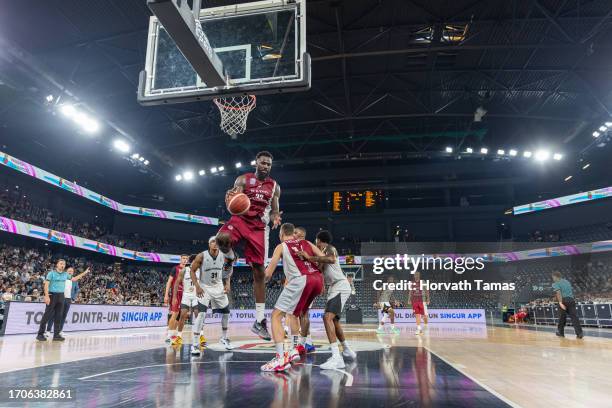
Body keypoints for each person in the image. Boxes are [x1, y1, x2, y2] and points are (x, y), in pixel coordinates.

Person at [216, 151, 282, 341]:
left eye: (269, 164)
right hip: (240, 220)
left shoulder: (275, 186)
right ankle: (230, 257)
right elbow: (233, 199)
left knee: (259, 273)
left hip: (260, 228)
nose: (266, 166)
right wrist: (229, 198)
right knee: (220, 239)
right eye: (263, 163)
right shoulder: (243, 180)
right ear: (256, 163)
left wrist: (275, 217)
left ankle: (259, 321)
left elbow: (274, 210)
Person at [260, 223, 324, 372]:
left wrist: (259, 280)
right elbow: (322, 258)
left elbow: (268, 274)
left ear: (281, 234)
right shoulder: (305, 242)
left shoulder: (281, 246)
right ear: (293, 233)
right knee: (293, 314)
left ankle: (280, 358)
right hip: (316, 279)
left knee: (275, 316)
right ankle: (294, 349)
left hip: (300, 280)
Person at [299, 230, 356, 369]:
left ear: (319, 240)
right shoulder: (322, 253)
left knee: (327, 318)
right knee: (334, 321)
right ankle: (347, 349)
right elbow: (320, 269)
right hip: (334, 287)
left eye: (316, 241)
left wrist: (309, 258)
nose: (315, 244)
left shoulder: (329, 248)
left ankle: (337, 357)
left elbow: (331, 259)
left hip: (340, 286)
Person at [190, 237, 235, 354]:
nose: (215, 244)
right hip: (205, 287)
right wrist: (197, 286)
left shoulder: (224, 256)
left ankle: (224, 338)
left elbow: (228, 270)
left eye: (217, 242)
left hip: (219, 287)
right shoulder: (201, 256)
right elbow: (192, 271)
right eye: (212, 242)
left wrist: (227, 284)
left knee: (226, 313)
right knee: (201, 314)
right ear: (209, 244)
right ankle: (195, 344)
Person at [36, 260, 89, 341]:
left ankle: (56, 335)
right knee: (47, 315)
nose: (62, 265)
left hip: (61, 296)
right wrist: (46, 296)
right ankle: (40, 334)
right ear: (57, 264)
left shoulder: (65, 274)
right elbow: (46, 285)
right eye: (61, 264)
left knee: (58, 316)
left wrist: (84, 273)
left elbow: (74, 279)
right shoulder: (51, 273)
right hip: (52, 295)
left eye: (64, 264)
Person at [172, 254, 198, 347]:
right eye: (197, 260)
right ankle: (179, 337)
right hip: (186, 295)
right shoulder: (184, 270)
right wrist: (174, 297)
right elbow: (176, 283)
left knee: (198, 315)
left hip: (196, 295)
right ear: (192, 261)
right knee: (182, 315)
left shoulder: (200, 271)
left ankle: (199, 337)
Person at [164, 254, 189, 344]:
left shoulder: (188, 270)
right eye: (183, 258)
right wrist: (166, 295)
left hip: (185, 295)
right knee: (174, 314)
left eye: (186, 259)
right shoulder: (175, 268)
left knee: (180, 317)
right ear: (180, 259)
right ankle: (168, 336)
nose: (185, 260)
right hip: (176, 293)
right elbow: (169, 282)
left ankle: (173, 334)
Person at [552, 271, 583, 339]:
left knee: (562, 317)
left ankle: (560, 332)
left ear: (555, 277)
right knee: (574, 317)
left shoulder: (555, 283)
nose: (553, 279)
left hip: (563, 301)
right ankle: (579, 333)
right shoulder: (567, 282)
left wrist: (560, 302)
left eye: (553, 277)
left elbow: (558, 293)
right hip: (571, 300)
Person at [409, 271, 428, 335]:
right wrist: (409, 299)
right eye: (415, 274)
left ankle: (425, 325)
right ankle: (419, 329)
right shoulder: (412, 283)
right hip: (415, 300)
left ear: (419, 275)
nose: (416, 275)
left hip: (422, 300)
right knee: (417, 315)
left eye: (417, 274)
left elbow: (426, 290)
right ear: (414, 276)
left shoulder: (423, 282)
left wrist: (428, 299)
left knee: (424, 316)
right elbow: (411, 291)